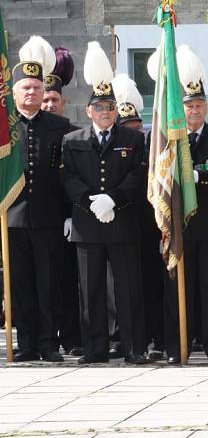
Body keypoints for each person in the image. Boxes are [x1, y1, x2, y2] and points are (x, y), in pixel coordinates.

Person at [62, 41, 147, 364]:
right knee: (91, 291)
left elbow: (137, 176)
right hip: (88, 225)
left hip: (122, 222)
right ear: (89, 111)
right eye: (99, 107)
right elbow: (69, 178)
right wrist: (90, 201)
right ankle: (95, 349)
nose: (106, 113)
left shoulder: (133, 139)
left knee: (128, 290)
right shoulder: (72, 141)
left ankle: (133, 348)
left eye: (110, 107)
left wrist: (112, 199)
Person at [160, 44, 208, 364]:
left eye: (200, 105)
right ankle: (180, 345)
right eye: (189, 106)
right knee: (181, 288)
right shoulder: (170, 139)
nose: (194, 111)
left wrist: (198, 178)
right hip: (180, 224)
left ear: (207, 108)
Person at [7, 36, 74, 362]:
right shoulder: (5, 129)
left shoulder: (59, 127)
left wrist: (68, 213)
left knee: (50, 283)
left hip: (49, 218)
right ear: (14, 93)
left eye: (36, 88)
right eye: (25, 88)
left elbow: (68, 175)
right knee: (21, 285)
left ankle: (49, 343)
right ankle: (28, 343)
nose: (31, 93)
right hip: (14, 218)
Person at [112, 72, 165, 360]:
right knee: (127, 286)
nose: (132, 131)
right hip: (124, 223)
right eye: (126, 126)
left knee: (154, 283)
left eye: (135, 125)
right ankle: (128, 336)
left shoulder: (150, 148)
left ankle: (158, 335)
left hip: (151, 225)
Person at [41, 46, 84, 358]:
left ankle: (71, 335)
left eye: (54, 99)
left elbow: (75, 178)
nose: (49, 104)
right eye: (44, 99)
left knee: (68, 280)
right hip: (38, 217)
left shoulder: (73, 133)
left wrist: (72, 214)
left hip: (67, 219)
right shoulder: (27, 132)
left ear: (63, 102)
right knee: (43, 281)